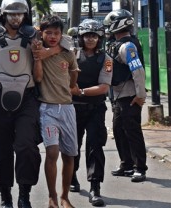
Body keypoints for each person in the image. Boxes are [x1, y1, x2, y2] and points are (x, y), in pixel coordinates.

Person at [0, 0, 55, 207]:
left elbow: (59, 43)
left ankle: (24, 195)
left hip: (27, 98)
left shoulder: (33, 35)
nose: (16, 18)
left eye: (20, 14)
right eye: (11, 14)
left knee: (27, 145)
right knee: (0, 148)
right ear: (3, 14)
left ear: (25, 15)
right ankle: (5, 195)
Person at [32, 14, 79, 208]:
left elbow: (74, 74)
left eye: (56, 33)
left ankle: (65, 196)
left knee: (69, 156)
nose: (52, 36)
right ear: (42, 33)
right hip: (48, 110)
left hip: (67, 108)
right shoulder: (37, 49)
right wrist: (38, 57)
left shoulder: (67, 51)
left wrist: (71, 85)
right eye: (48, 32)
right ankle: (52, 196)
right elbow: (38, 78)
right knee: (52, 153)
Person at [68, 19, 113, 207]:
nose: (90, 39)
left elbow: (104, 87)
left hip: (95, 107)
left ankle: (95, 188)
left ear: (100, 38)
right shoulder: (72, 54)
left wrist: (82, 92)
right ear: (81, 37)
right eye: (87, 35)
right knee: (73, 145)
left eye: (94, 36)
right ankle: (71, 178)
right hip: (73, 108)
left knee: (95, 146)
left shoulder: (106, 59)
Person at [103, 9, 148, 183]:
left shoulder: (128, 46)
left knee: (132, 132)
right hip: (118, 96)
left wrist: (140, 95)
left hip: (130, 95)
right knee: (119, 130)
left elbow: (138, 71)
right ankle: (127, 164)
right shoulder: (116, 44)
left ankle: (140, 168)